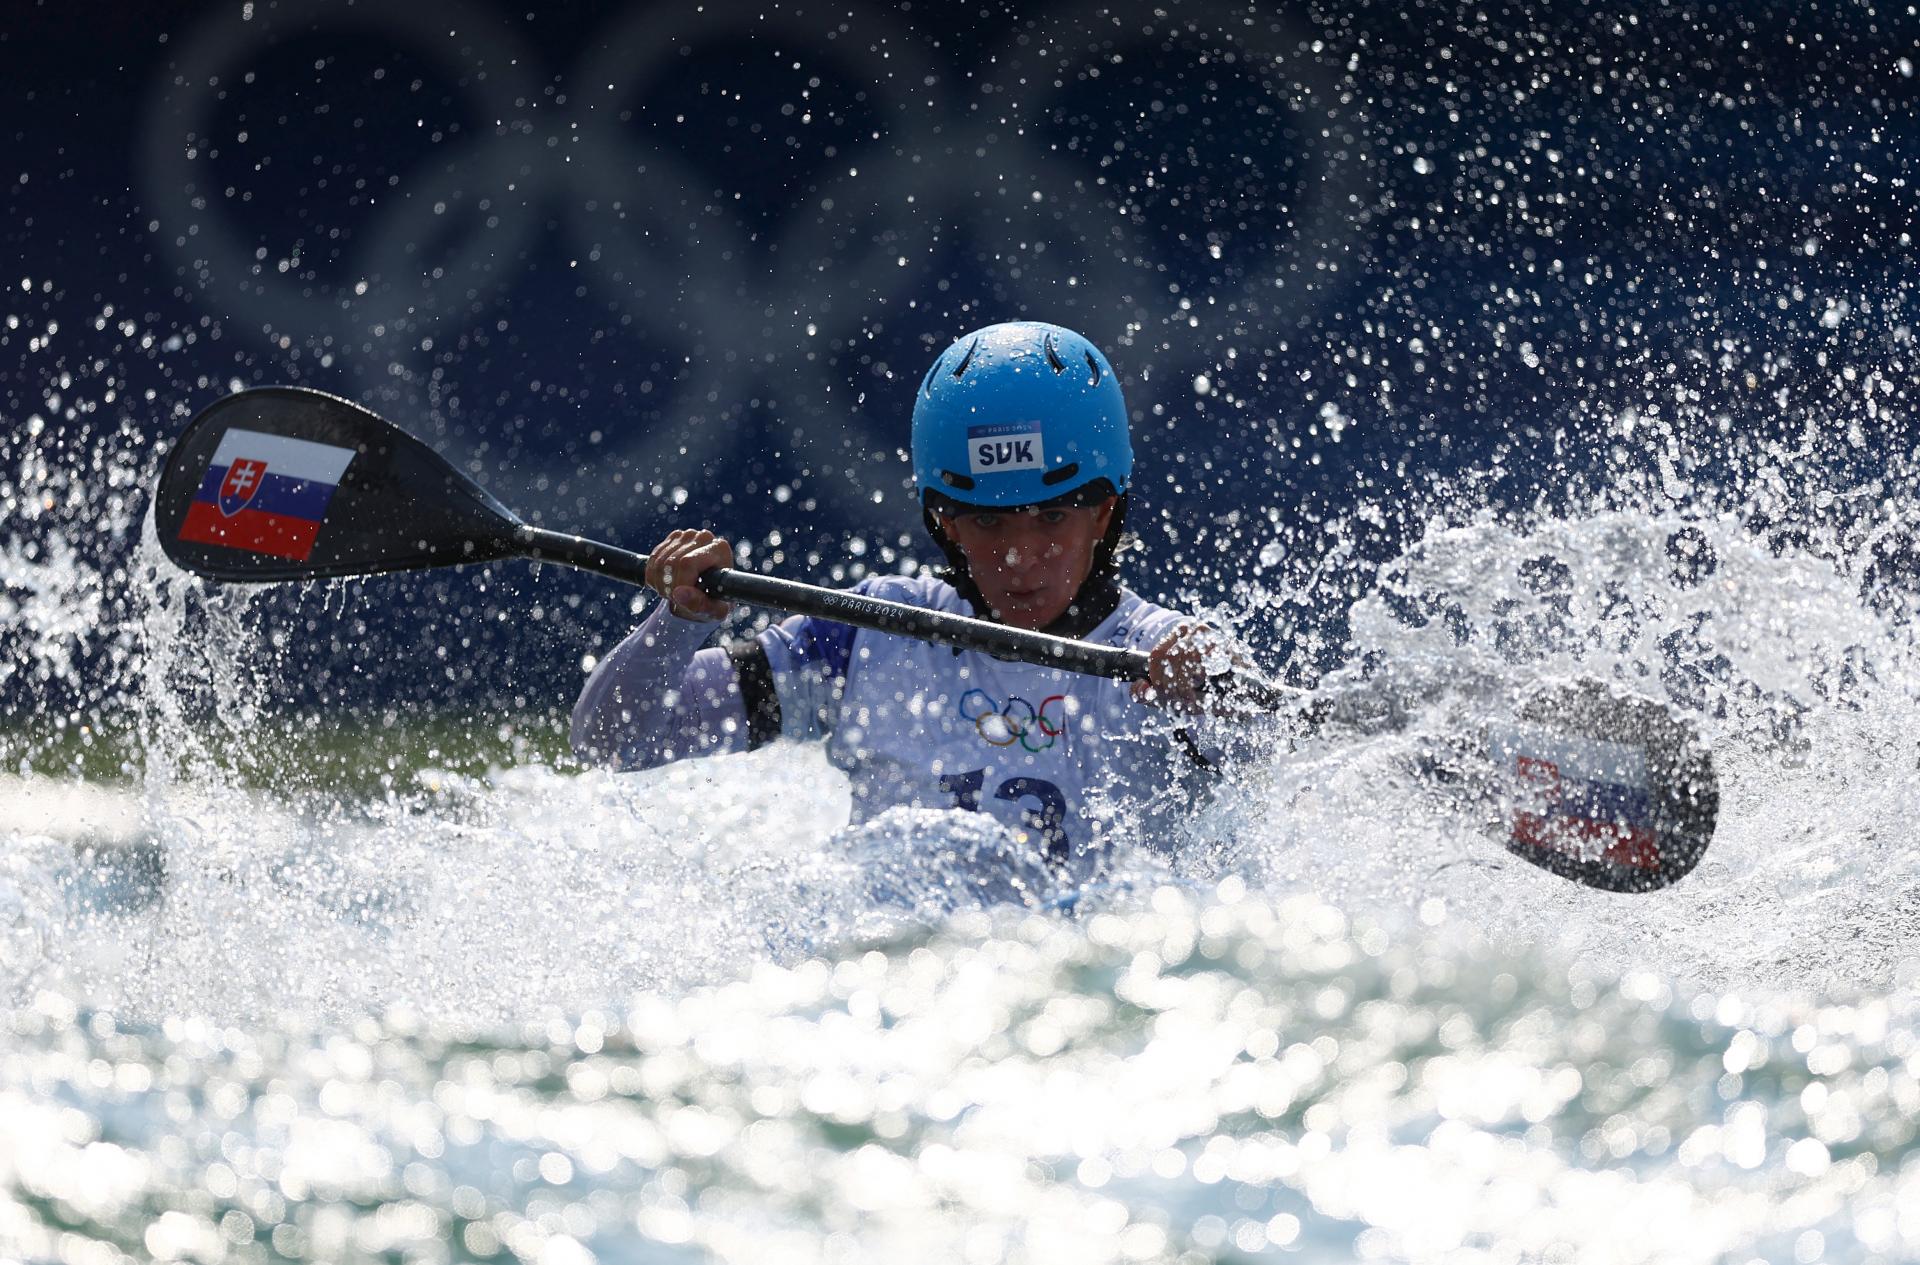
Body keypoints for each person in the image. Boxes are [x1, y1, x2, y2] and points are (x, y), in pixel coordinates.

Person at [571, 321, 1257, 879]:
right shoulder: (864, 635)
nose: (1019, 555)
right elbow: (611, 742)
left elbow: (1288, 791)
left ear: (1104, 515)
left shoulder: (1169, 664)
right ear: (945, 523)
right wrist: (678, 622)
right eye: (988, 521)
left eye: (1052, 518)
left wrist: (1222, 690)